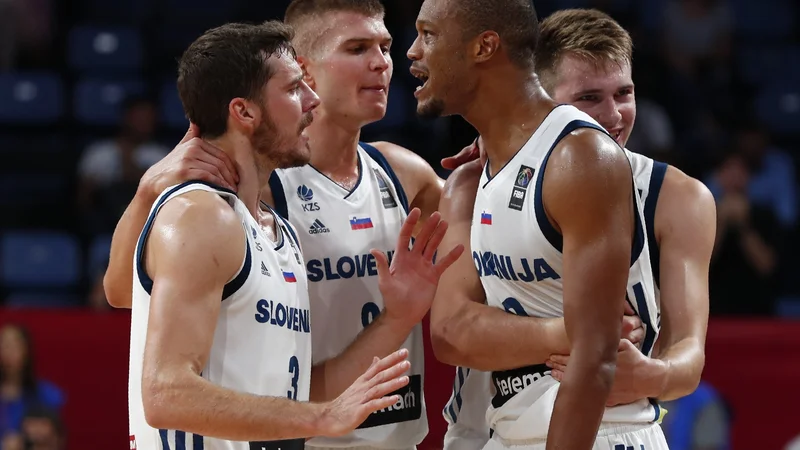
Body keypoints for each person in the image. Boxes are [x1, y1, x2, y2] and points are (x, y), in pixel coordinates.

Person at [105, 2, 449, 449]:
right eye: (358, 47)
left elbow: (303, 391)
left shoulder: (279, 231)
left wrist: (398, 318)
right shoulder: (209, 212)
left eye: (385, 47)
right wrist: (150, 188)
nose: (381, 62)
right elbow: (137, 323)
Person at [434, 8, 716, 450]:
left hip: (610, 426)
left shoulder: (678, 196)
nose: (613, 114)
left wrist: (654, 374)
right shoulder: (476, 180)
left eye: (624, 93)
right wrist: (586, 333)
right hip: (491, 427)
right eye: (589, 97)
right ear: (540, 95)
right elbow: (453, 334)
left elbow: (688, 355)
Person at [0, 324, 64, 439]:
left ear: (27, 350)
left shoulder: (45, 394)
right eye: (4, 346)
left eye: (14, 346)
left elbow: (55, 439)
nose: (8, 352)